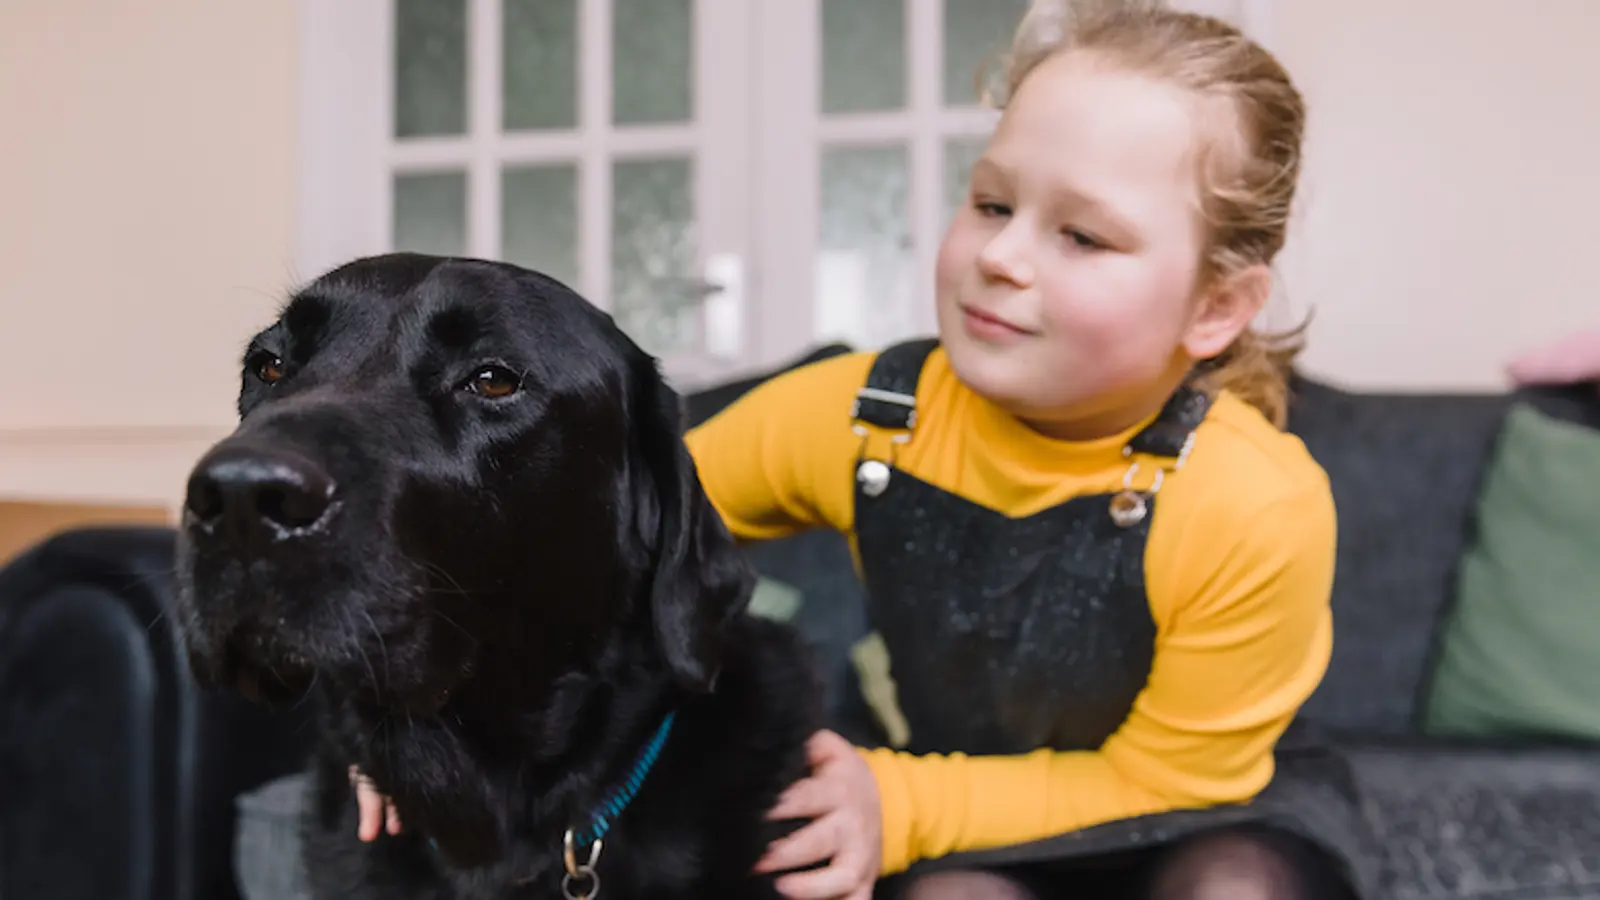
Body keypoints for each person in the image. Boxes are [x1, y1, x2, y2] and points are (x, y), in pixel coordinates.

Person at [352, 2, 1378, 897]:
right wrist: (432, 691)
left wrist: (898, 795)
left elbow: (1171, 778)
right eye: (990, 204)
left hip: (1208, 813)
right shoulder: (864, 413)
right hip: (977, 830)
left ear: (1215, 306)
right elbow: (605, 529)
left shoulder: (1254, 503)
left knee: (1236, 886)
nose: (1002, 258)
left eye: (1083, 237)